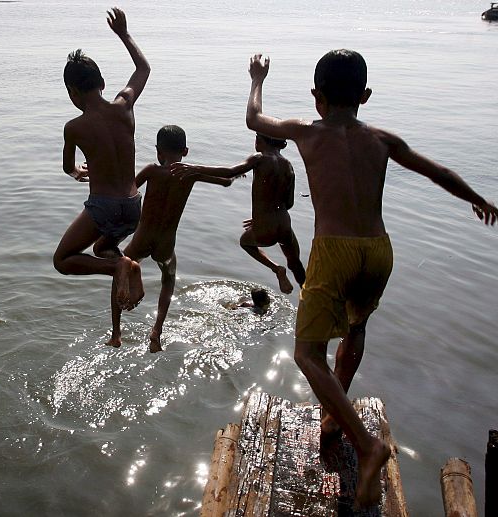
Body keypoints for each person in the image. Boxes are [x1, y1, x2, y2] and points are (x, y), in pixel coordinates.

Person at [244, 49, 498, 507]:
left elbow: (255, 118)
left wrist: (257, 77)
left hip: (335, 251)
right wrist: (476, 198)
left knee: (307, 354)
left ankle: (367, 445)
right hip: (378, 252)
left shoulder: (306, 130)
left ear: (316, 97)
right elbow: (438, 172)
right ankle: (332, 418)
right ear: (365, 95)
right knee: (356, 328)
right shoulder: (382, 139)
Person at [53, 7, 150, 312]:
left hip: (104, 207)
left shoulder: (74, 128)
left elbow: (69, 168)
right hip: (134, 206)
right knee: (103, 247)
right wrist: (123, 33)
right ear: (103, 83)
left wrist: (79, 172)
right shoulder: (125, 105)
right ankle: (127, 265)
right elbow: (143, 69)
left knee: (63, 260)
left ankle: (116, 269)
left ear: (72, 92)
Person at [109, 125, 232, 352]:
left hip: (142, 238)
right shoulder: (190, 174)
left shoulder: (152, 171)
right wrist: (211, 172)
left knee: (120, 272)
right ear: (185, 151)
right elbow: (226, 181)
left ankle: (116, 334)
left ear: (158, 151)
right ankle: (156, 332)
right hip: (166, 243)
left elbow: (126, 190)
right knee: (168, 279)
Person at [171, 133, 307, 294]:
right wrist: (265, 215)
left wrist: (194, 168)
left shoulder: (259, 158)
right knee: (294, 262)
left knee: (245, 242)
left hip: (265, 229)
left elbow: (230, 172)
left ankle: (276, 269)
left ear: (259, 141)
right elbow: (289, 203)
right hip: (284, 224)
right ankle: (309, 294)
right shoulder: (288, 165)